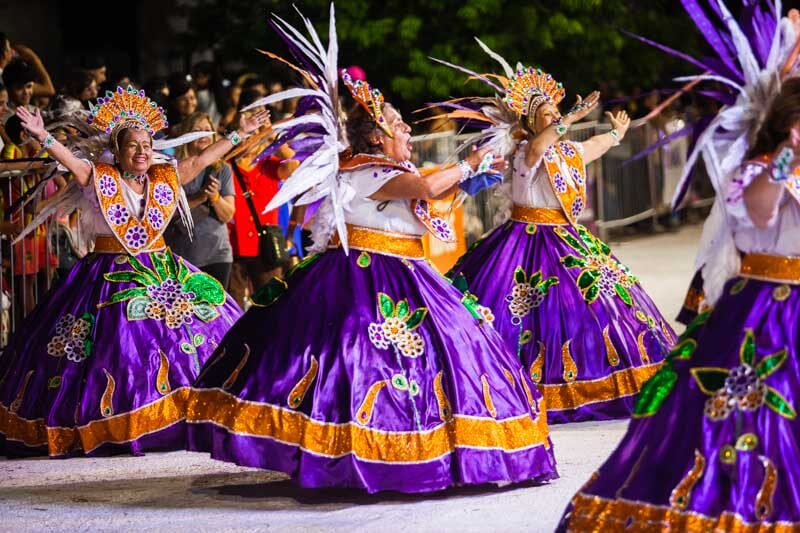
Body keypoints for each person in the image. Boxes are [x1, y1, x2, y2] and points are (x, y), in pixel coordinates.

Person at [187, 7, 557, 494]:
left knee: (450, 347)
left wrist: (469, 178)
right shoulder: (366, 169)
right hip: (364, 279)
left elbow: (428, 199)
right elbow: (425, 188)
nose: (407, 131)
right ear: (377, 135)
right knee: (359, 362)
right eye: (399, 125)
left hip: (401, 269)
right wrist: (466, 165)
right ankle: (357, 454)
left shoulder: (378, 169)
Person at [559, 5, 800, 530]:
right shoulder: (757, 170)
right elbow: (759, 211)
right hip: (761, 314)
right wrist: (786, 156)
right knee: (744, 429)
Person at [0, 85, 266, 457]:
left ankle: (195, 410)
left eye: (146, 144)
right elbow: (71, 162)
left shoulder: (163, 176)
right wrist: (42, 135)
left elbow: (203, 159)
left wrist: (240, 131)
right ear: (118, 150)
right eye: (133, 146)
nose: (142, 152)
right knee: (114, 351)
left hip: (163, 271)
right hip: (107, 277)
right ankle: (121, 420)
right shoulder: (99, 178)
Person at [438, 41, 674, 424]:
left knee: (599, 305)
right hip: (524, 241)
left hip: (566, 237)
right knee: (522, 312)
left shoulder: (565, 151)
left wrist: (615, 135)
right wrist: (569, 119)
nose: (554, 119)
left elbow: (592, 147)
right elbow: (539, 149)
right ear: (531, 123)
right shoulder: (524, 153)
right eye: (545, 115)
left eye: (555, 113)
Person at [166, 112, 235, 289]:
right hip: (182, 255)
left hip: (217, 255)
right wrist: (200, 198)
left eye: (207, 130)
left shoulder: (222, 169)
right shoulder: (172, 169)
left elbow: (227, 215)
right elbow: (166, 213)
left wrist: (215, 197)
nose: (204, 135)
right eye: (198, 130)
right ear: (186, 135)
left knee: (216, 312)